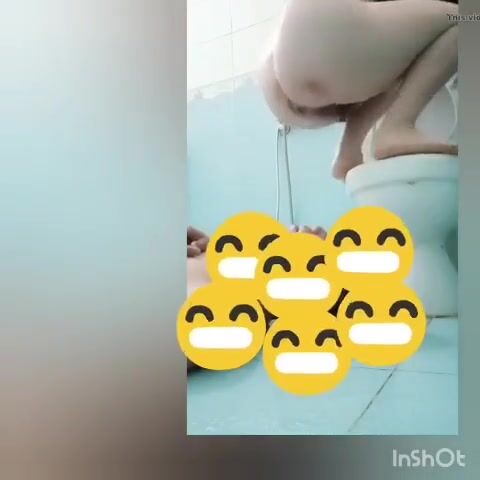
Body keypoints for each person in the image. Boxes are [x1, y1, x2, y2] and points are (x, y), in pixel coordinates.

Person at [258, 0, 458, 180]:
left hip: (291, 55)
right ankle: (397, 125)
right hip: (320, 30)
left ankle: (349, 152)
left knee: (400, 65)